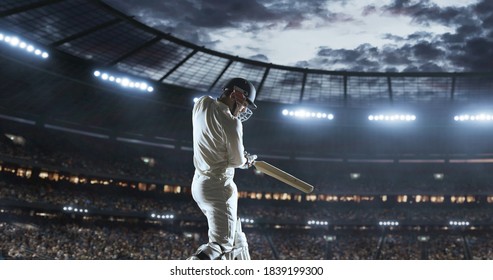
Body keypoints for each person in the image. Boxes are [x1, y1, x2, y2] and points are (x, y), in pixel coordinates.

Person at [188, 77, 258, 260]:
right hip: (219, 188)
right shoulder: (233, 122)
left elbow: (214, 138)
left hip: (198, 185)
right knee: (221, 244)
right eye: (245, 103)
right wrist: (246, 160)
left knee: (234, 235)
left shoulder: (202, 103)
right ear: (236, 94)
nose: (244, 109)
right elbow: (236, 161)